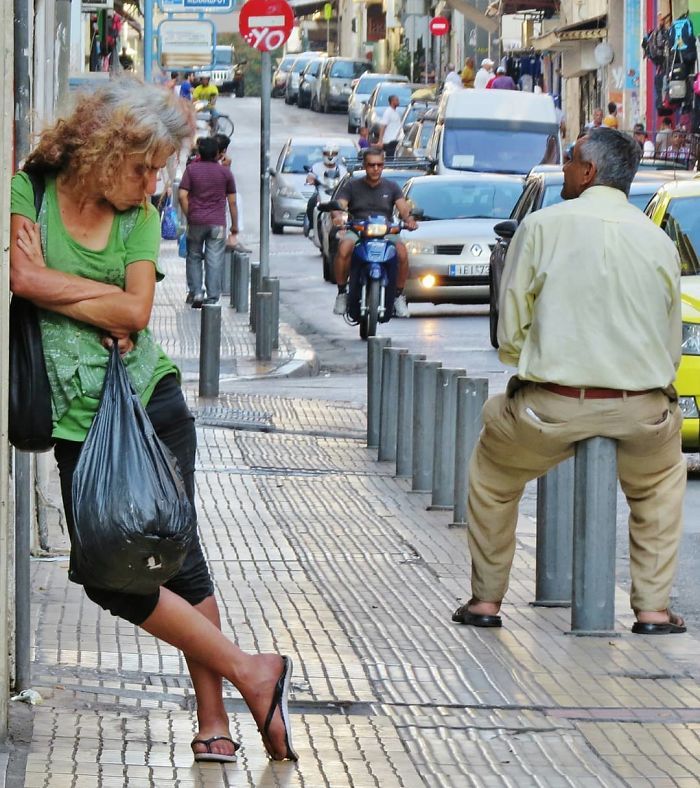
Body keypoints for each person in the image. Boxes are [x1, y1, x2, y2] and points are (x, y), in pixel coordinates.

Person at [9, 79, 298, 764]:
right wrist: (99, 295)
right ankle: (253, 672)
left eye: (158, 169)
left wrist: (63, 285)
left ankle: (215, 718)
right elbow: (21, 283)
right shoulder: (34, 188)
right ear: (107, 150)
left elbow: (136, 314)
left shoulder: (140, 213)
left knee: (179, 565)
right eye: (143, 167)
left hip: (150, 405)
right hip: (79, 423)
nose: (151, 182)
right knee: (109, 574)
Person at [451, 127, 687, 636]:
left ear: (589, 172)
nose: (562, 169)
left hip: (549, 409)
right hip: (640, 411)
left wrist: (532, 359)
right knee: (661, 488)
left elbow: (510, 330)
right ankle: (650, 611)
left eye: (570, 160)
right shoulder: (656, 239)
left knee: (493, 479)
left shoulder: (540, 228)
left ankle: (487, 601)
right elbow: (669, 346)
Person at [331, 147, 417, 318]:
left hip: (385, 231)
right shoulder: (352, 186)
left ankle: (399, 296)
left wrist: (409, 220)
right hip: (358, 229)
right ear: (364, 165)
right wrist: (338, 216)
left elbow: (403, 208)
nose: (375, 169)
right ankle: (342, 293)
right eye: (371, 165)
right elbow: (339, 205)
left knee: (402, 253)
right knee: (343, 248)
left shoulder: (392, 187)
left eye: (379, 165)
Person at [179, 136, 238, 307]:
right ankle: (212, 297)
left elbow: (182, 195)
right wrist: (234, 226)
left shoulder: (191, 170)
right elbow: (232, 202)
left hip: (196, 221)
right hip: (217, 223)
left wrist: (190, 214)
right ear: (217, 153)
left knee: (194, 256)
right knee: (214, 258)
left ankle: (196, 292)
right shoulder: (225, 172)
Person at [304, 144, 347, 237]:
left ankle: (344, 227)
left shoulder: (343, 169)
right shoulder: (316, 167)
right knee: (312, 202)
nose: (330, 156)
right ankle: (312, 227)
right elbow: (310, 177)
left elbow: (347, 181)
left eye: (333, 153)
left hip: (337, 194)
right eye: (327, 153)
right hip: (321, 192)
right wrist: (311, 180)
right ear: (323, 154)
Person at [376, 94, 403, 159]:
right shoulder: (388, 112)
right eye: (397, 100)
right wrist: (380, 141)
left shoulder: (395, 112)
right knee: (390, 159)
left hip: (396, 141)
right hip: (389, 142)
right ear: (392, 101)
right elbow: (383, 126)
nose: (398, 101)